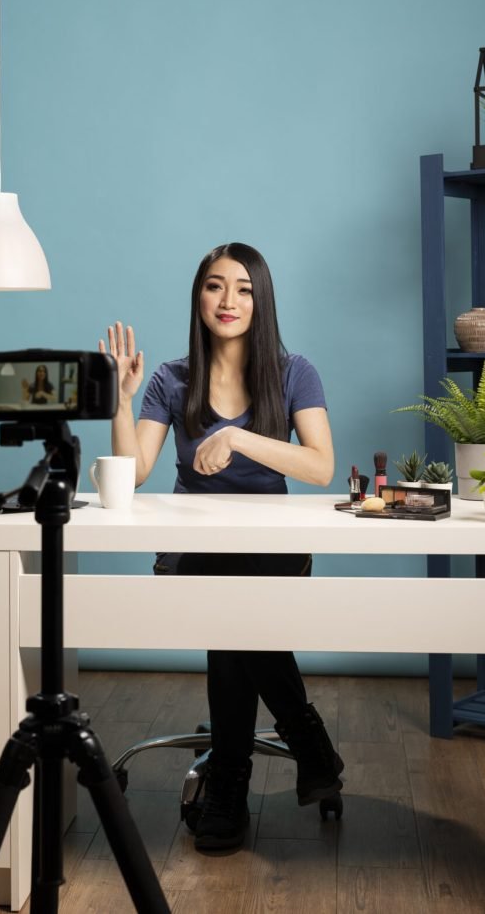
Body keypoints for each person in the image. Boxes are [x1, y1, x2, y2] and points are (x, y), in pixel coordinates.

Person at [99, 241, 342, 853]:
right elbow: (134, 472)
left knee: (234, 615)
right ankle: (306, 745)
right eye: (214, 285)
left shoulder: (294, 372)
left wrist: (238, 437)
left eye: (243, 288)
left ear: (261, 301)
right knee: (233, 599)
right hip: (192, 552)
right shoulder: (170, 379)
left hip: (272, 549)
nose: (228, 300)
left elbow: (320, 467)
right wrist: (121, 404)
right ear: (198, 296)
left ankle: (228, 782)